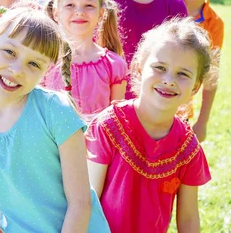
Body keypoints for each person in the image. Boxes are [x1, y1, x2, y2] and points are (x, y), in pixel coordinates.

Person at [0, 6, 110, 232]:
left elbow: (80, 204)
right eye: (10, 52)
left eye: (33, 64)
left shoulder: (56, 111)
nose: (17, 70)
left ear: (45, 72)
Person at [86, 18, 214, 233]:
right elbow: (88, 201)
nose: (169, 80)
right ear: (138, 69)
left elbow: (189, 218)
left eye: (183, 74)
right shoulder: (108, 126)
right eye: (160, 67)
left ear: (196, 87)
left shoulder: (187, 147)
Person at [43, 0, 127, 122]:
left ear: (101, 13)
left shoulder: (114, 65)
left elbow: (117, 122)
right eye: (70, 5)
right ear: (56, 12)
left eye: (89, 5)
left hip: (99, 145)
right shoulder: (44, 61)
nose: (79, 12)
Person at [175, 0, 229, 142]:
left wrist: (202, 121)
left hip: (180, 111)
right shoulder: (163, 4)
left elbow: (211, 74)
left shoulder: (215, 24)